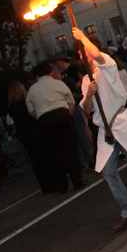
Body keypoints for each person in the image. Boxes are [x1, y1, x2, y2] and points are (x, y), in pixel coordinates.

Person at [72, 28, 127, 233]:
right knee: (108, 171)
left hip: (122, 122)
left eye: (83, 51)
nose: (82, 55)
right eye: (80, 53)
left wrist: (83, 38)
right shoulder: (87, 80)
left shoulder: (107, 65)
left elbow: (95, 54)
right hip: (106, 130)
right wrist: (88, 96)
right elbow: (87, 111)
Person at [26, 62, 86, 192]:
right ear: (49, 72)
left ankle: (62, 186)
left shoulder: (32, 90)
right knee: (70, 149)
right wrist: (67, 115)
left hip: (45, 120)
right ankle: (77, 180)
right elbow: (71, 102)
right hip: (62, 115)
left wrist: (42, 117)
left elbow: (31, 111)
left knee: (54, 153)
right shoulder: (59, 84)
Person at [7, 82, 53, 192]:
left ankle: (45, 186)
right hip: (35, 132)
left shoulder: (11, 107)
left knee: (36, 161)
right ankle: (52, 181)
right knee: (45, 157)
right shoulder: (25, 103)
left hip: (25, 136)